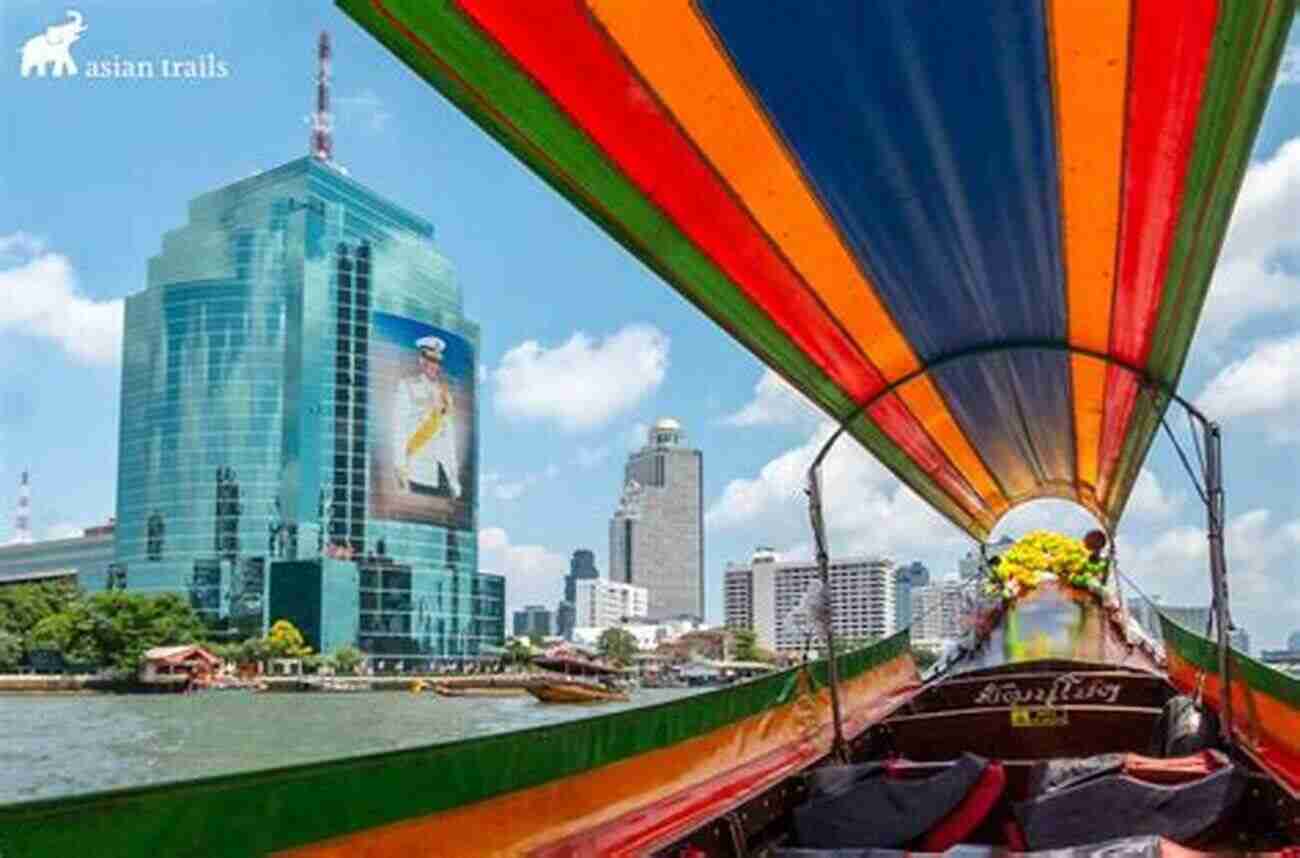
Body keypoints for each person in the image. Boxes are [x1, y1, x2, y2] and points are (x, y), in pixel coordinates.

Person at [393, 335, 462, 499]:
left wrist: (453, 478)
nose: (434, 365)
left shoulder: (445, 395)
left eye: (437, 361)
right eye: (430, 360)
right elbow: (399, 428)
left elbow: (448, 439)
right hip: (417, 470)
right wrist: (400, 466)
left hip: (440, 471)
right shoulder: (408, 386)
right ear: (421, 361)